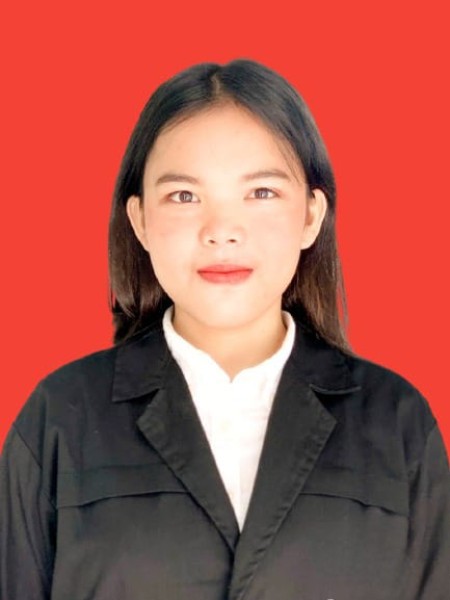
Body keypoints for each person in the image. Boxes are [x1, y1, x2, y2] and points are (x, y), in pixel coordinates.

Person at [1, 59, 449, 600]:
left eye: (261, 193)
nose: (221, 232)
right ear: (140, 220)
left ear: (311, 215)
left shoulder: (396, 421)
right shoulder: (60, 417)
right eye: (184, 196)